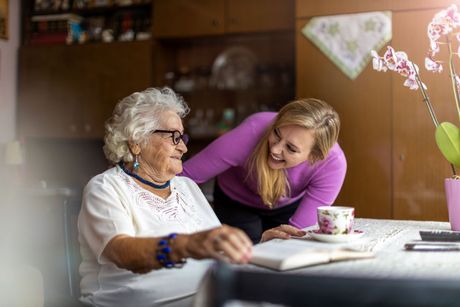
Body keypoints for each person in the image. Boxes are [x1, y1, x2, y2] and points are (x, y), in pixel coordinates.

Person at [78, 87, 304, 307]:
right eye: (174, 137)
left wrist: (257, 245)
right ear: (137, 142)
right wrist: (185, 244)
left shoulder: (186, 187)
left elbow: (213, 250)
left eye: (182, 137)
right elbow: (121, 252)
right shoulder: (106, 187)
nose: (184, 149)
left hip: (208, 297)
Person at [182, 98, 347, 243]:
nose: (275, 149)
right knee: (243, 257)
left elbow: (298, 235)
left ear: (315, 156)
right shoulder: (252, 131)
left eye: (290, 148)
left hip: (287, 205)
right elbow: (183, 177)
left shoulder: (333, 165)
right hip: (236, 201)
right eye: (276, 133)